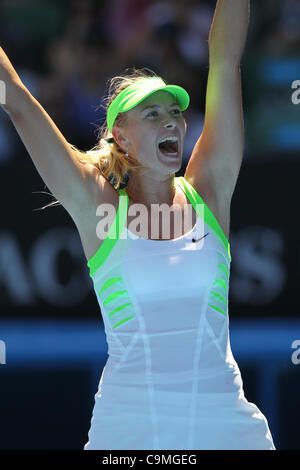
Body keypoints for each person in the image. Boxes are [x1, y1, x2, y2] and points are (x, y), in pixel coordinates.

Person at [0, 0, 275, 450]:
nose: (172, 121)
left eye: (174, 112)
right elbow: (15, 99)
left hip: (229, 429)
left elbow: (225, 59)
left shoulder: (208, 190)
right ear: (121, 138)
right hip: (129, 434)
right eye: (153, 114)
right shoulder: (96, 206)